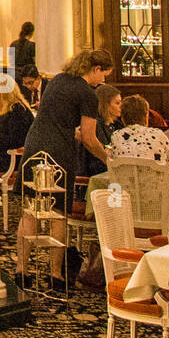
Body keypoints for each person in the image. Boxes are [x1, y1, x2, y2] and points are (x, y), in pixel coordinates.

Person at [17, 46, 113, 282]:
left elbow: (57, 118)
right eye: (104, 75)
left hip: (33, 146)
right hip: (58, 152)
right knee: (58, 213)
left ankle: (21, 271)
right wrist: (108, 159)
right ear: (96, 69)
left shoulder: (58, 80)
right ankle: (55, 274)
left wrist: (74, 132)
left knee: (30, 211)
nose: (102, 82)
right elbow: (90, 139)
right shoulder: (87, 94)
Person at [81, 84, 122, 179]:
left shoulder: (117, 124)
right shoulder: (95, 125)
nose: (121, 106)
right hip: (98, 172)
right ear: (106, 105)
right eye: (117, 103)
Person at [0, 79, 34, 175]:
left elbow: (16, 140)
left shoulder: (18, 110)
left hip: (13, 157)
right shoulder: (4, 109)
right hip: (4, 152)